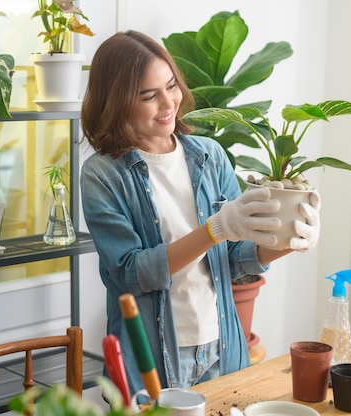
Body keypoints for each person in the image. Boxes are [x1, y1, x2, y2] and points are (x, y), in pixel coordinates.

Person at [79, 30, 321, 395]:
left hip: (222, 346)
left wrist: (293, 240)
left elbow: (236, 258)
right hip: (151, 360)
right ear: (117, 102)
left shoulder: (209, 155)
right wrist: (215, 228)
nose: (168, 103)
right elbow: (129, 273)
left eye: (171, 86)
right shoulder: (103, 175)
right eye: (149, 95)